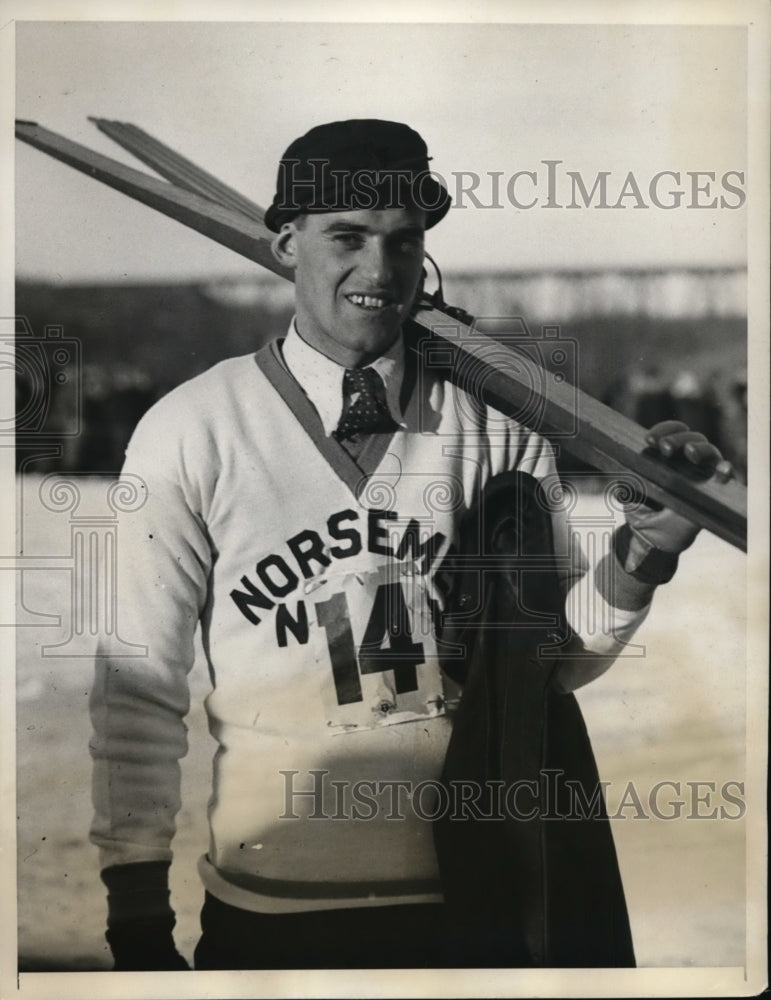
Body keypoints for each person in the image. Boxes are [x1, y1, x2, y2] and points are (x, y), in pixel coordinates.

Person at [88, 119, 732, 971]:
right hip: (271, 912)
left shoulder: (496, 428)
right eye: (346, 238)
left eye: (402, 242)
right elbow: (137, 690)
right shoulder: (190, 431)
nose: (379, 271)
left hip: (474, 904)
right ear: (284, 243)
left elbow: (549, 663)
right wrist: (135, 913)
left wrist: (643, 553)